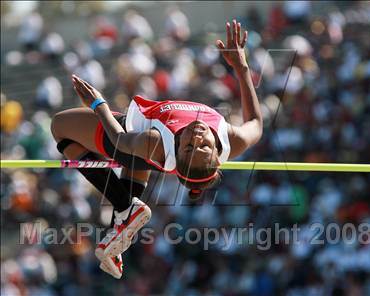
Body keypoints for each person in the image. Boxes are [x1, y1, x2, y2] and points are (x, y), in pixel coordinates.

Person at [51, 20, 263, 279]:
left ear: (179, 150)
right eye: (204, 145)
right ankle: (116, 236)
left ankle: (124, 206)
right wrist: (241, 70)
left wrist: (98, 103)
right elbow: (256, 124)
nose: (197, 136)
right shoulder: (231, 138)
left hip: (128, 141)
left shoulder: (155, 142)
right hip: (146, 158)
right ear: (218, 155)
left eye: (188, 146)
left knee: (59, 126)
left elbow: (119, 139)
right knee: (134, 177)